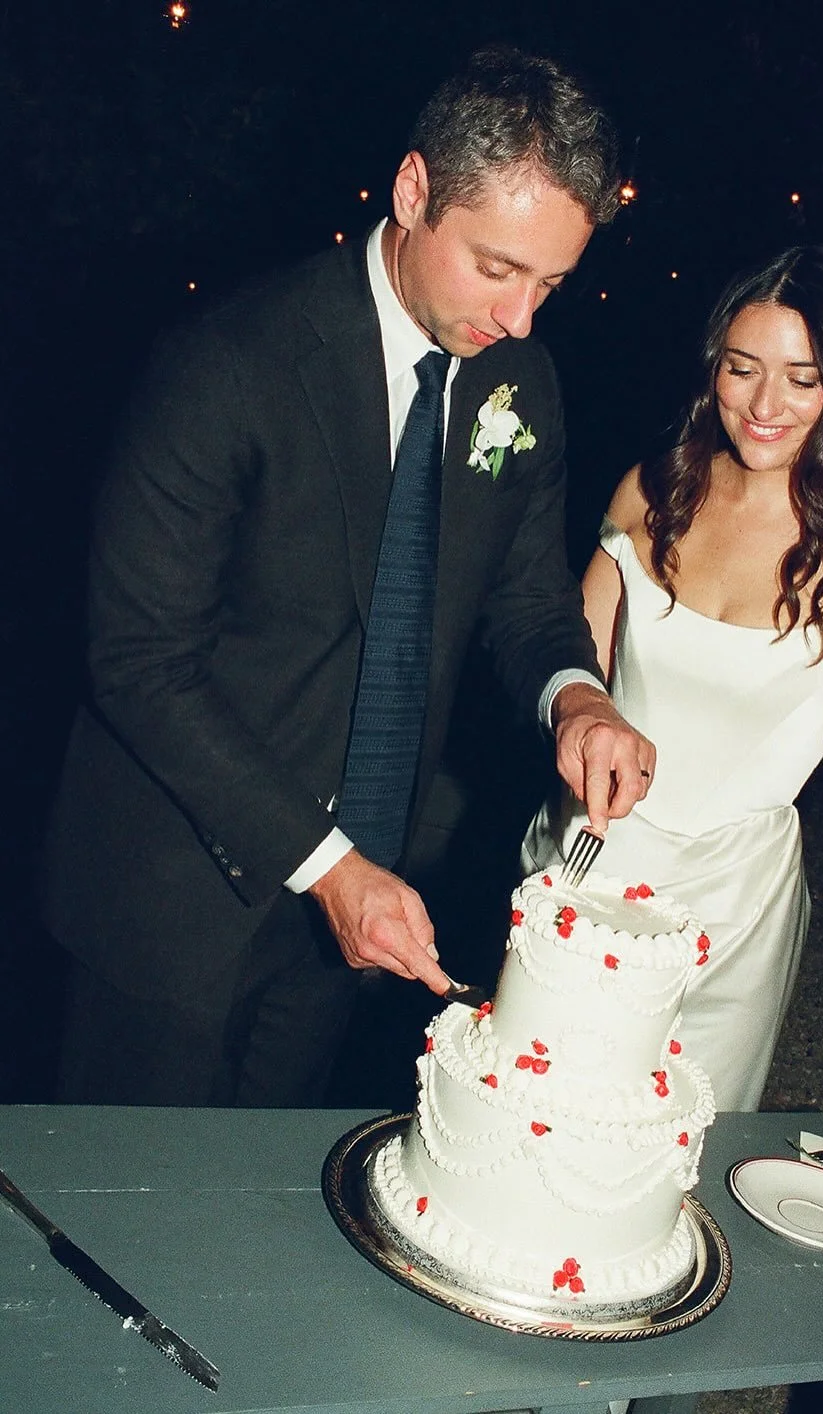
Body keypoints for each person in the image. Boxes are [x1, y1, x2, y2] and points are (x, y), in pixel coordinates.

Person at [41, 46, 654, 1108]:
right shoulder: (226, 365)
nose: (520, 319)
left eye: (550, 282)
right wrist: (327, 865)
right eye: (497, 267)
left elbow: (524, 595)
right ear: (413, 191)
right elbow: (140, 664)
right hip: (176, 892)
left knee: (270, 1207)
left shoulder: (520, 380)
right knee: (130, 1230)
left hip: (372, 887)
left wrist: (578, 697)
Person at [524, 245, 823, 1112]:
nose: (762, 405)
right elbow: (562, 663)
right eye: (741, 368)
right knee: (516, 1119)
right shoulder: (650, 490)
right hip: (583, 854)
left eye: (801, 378)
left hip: (731, 909)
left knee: (661, 1158)